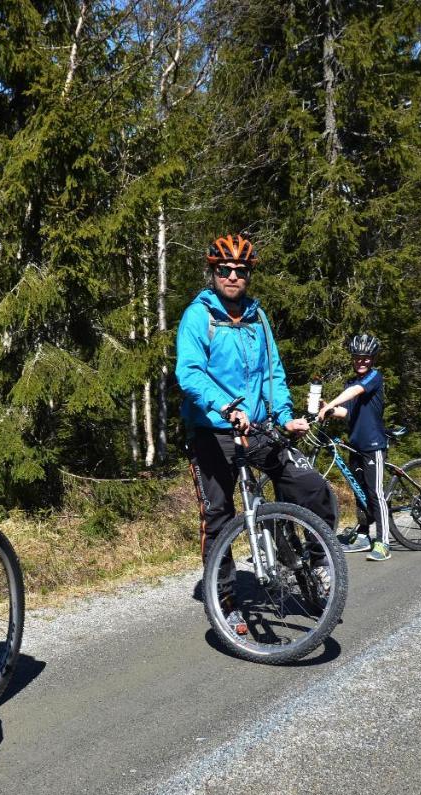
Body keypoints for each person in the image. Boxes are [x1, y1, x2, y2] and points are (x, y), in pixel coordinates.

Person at [175, 233, 337, 634]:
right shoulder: (199, 316)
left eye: (240, 271)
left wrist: (284, 417)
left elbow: (273, 374)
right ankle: (226, 599)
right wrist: (225, 406)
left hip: (258, 427)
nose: (232, 276)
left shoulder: (257, 318)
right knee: (219, 517)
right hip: (213, 430)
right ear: (213, 272)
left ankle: (317, 560)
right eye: (224, 270)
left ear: (249, 275)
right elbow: (189, 372)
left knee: (310, 485)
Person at [316, 333, 391, 561]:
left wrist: (332, 402)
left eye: (366, 357)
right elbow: (347, 412)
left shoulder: (374, 377)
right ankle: (363, 534)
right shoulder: (351, 382)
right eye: (358, 357)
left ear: (373, 358)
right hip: (355, 445)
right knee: (360, 493)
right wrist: (329, 410)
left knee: (375, 493)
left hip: (374, 445)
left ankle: (384, 542)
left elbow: (356, 392)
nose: (362, 361)